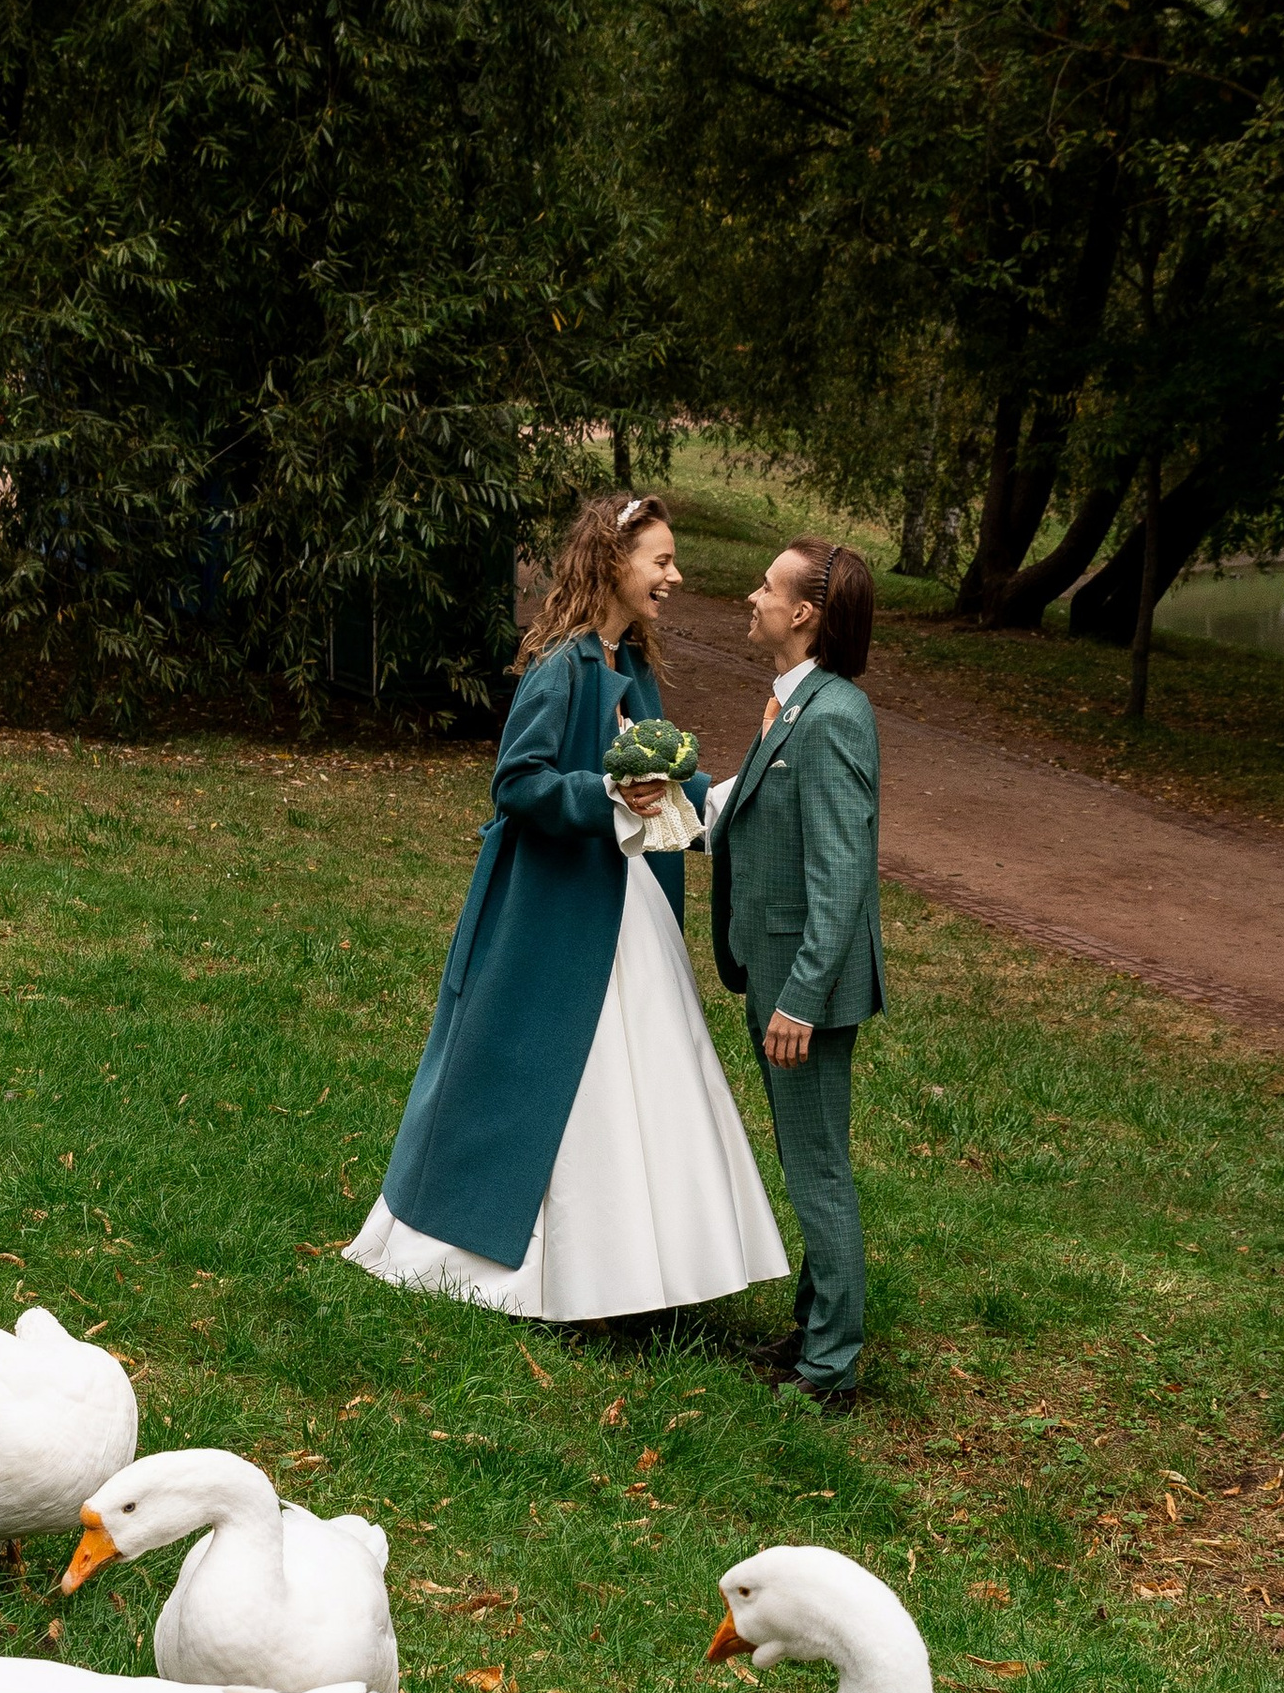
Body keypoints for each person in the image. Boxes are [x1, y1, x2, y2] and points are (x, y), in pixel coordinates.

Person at [345, 492, 790, 1324]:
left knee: (641, 1077)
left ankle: (636, 1274)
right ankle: (512, 1264)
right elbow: (517, 782)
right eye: (660, 560)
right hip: (552, 911)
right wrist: (608, 795)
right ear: (612, 565)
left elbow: (665, 781)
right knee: (552, 1073)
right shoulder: (562, 665)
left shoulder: (634, 671)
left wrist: (741, 790)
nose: (674, 575)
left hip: (624, 907)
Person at [705, 536, 885, 1410]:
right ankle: (815, 1330)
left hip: (800, 990)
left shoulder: (836, 714)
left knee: (817, 1171)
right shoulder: (789, 704)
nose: (753, 596)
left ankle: (831, 1371)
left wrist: (801, 1000)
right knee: (808, 1159)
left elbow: (842, 875)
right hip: (775, 972)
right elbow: (758, 818)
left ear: (805, 612)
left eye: (767, 588)